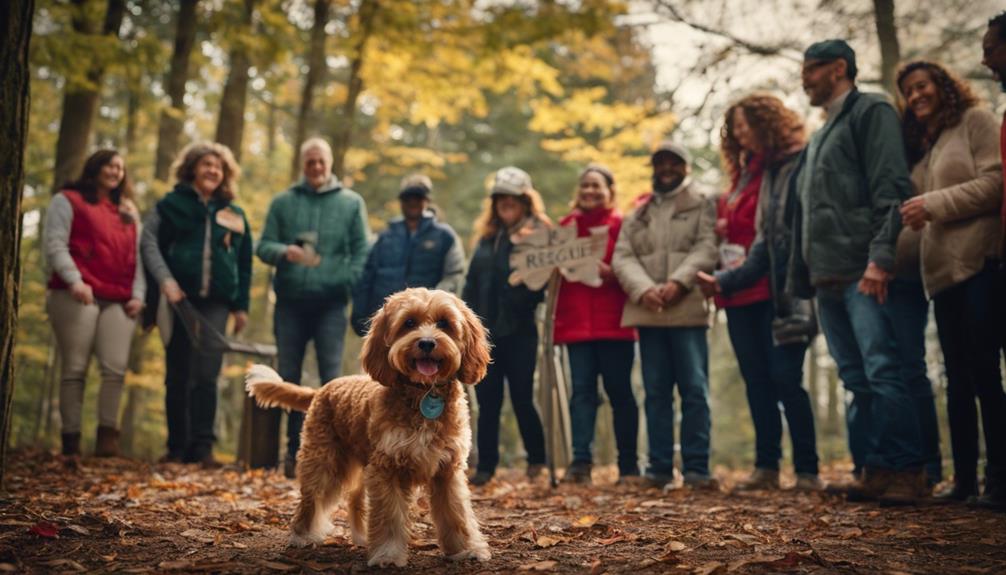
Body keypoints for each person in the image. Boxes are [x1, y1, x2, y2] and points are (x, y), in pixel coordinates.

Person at [788, 39, 924, 505]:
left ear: (839, 68)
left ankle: (907, 469)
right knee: (856, 378)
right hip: (826, 278)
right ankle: (875, 469)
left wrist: (880, 258)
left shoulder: (872, 111)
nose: (804, 78)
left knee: (884, 368)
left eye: (811, 69)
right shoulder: (822, 132)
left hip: (863, 271)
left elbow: (891, 186)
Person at [695, 95, 822, 491]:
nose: (739, 133)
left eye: (745, 125)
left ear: (767, 122)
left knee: (786, 377)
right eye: (734, 128)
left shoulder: (788, 165)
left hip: (776, 291)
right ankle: (767, 467)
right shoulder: (744, 174)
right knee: (756, 381)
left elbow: (776, 234)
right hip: (735, 295)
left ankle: (807, 469)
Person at [897, 59, 1004, 508]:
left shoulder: (975, 121)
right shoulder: (929, 144)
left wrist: (934, 202)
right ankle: (963, 481)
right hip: (940, 278)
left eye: (922, 85)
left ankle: (999, 479)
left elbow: (997, 183)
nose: (916, 95)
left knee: (985, 372)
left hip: (979, 264)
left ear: (942, 84)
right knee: (955, 379)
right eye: (908, 91)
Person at [257, 137, 370, 478]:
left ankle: (337, 457)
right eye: (310, 162)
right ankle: (295, 454)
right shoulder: (283, 202)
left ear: (330, 164)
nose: (317, 168)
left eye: (321, 161)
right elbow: (262, 246)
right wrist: (283, 252)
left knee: (332, 379)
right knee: (288, 375)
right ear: (302, 165)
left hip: (331, 306)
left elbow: (362, 252)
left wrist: (341, 279)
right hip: (289, 303)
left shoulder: (351, 203)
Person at [612, 141, 718, 490]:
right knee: (655, 392)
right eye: (661, 163)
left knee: (694, 390)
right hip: (649, 312)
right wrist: (645, 289)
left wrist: (678, 282)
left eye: (675, 163)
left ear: (686, 167)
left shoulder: (703, 204)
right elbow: (622, 257)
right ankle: (658, 468)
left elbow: (707, 247)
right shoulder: (637, 213)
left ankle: (697, 469)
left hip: (687, 310)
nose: (667, 169)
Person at [142, 142, 251, 468]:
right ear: (192, 167)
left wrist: (240, 306)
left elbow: (244, 264)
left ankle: (203, 449)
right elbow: (148, 244)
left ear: (225, 174)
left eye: (218, 167)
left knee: (207, 373)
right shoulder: (171, 205)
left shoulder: (235, 213)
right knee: (178, 372)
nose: (212, 171)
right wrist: (166, 282)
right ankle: (176, 447)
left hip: (217, 303)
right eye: (206, 164)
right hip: (179, 300)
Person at [44, 149, 144, 463]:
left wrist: (138, 294)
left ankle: (107, 442)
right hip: (76, 293)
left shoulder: (127, 212)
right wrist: (74, 280)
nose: (115, 171)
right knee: (74, 369)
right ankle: (71, 440)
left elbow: (138, 258)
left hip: (119, 298)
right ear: (95, 167)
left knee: (115, 370)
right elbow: (55, 243)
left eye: (120, 167)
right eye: (109, 165)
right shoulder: (68, 200)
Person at [463, 166, 549, 487]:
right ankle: (486, 466)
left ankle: (537, 461)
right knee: (488, 400)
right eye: (501, 198)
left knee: (523, 397)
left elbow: (542, 284)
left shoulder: (539, 237)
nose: (506, 203)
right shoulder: (487, 239)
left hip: (521, 331)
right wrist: (466, 323)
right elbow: (471, 281)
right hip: (486, 333)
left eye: (513, 198)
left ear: (526, 201)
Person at [554, 165, 639, 485]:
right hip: (576, 327)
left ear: (610, 191)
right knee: (582, 395)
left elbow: (635, 265)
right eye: (585, 186)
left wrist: (613, 273)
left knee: (621, 393)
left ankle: (629, 465)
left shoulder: (622, 225)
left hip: (615, 324)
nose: (590, 191)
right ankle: (580, 462)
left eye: (597, 186)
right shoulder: (564, 229)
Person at [350, 174, 465, 337]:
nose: (412, 202)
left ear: (427, 201)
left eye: (418, 197)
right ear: (401, 201)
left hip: (425, 328)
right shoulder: (384, 237)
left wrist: (433, 304)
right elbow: (367, 276)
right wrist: (360, 314)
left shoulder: (445, 236)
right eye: (407, 198)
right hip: (386, 323)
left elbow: (454, 274)